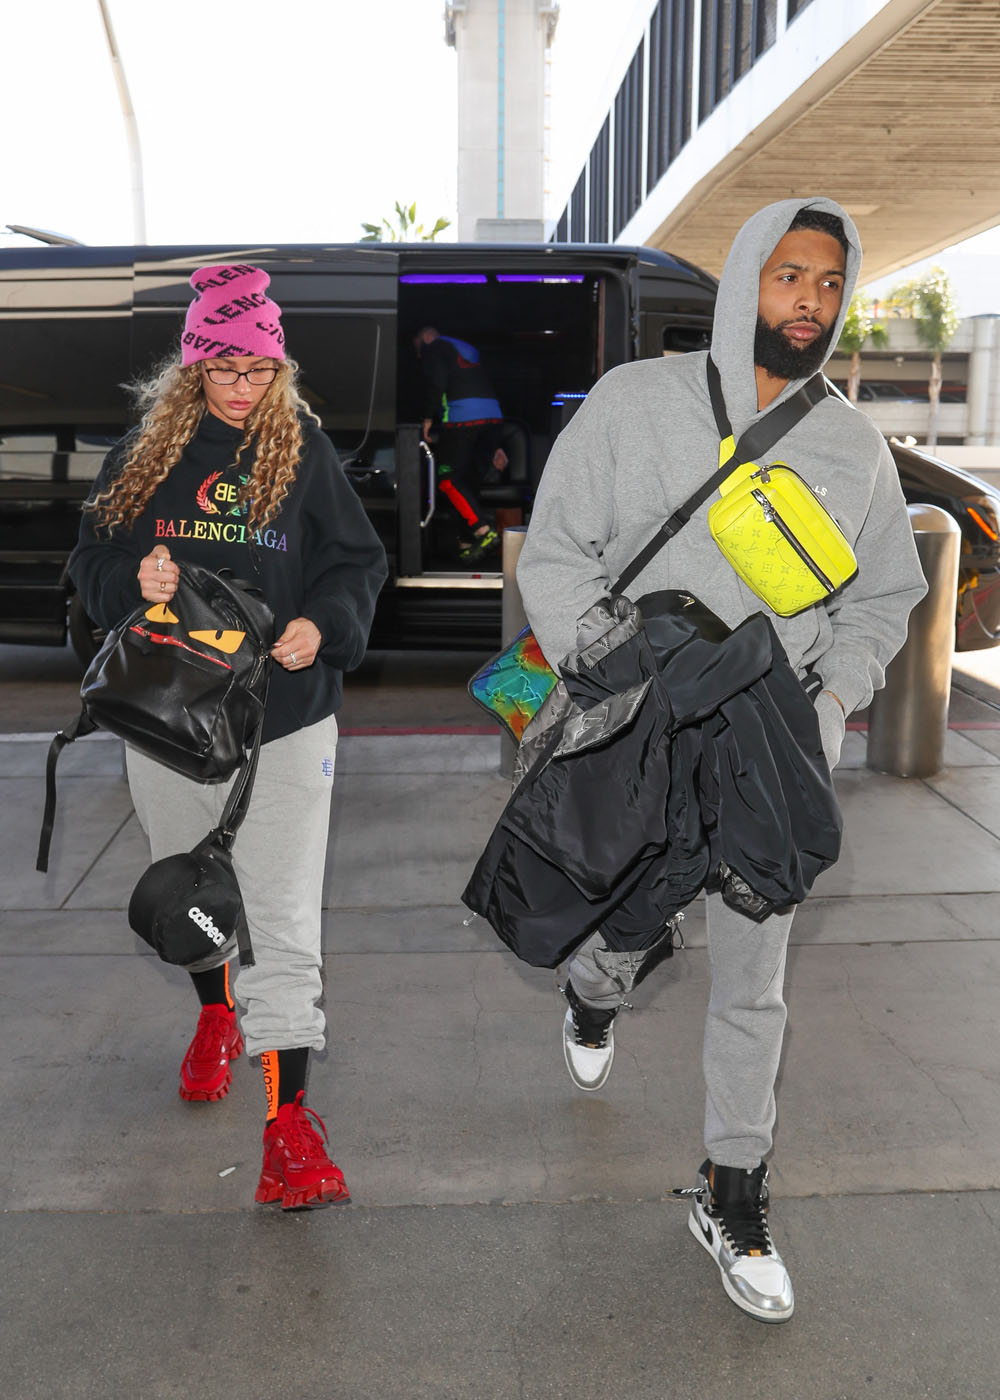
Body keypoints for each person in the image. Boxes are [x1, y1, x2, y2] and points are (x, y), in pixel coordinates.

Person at [515, 198, 927, 1321]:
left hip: (766, 739)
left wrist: (832, 701)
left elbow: (885, 594)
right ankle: (595, 992)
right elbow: (554, 556)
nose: (809, 300)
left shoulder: (847, 444)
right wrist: (606, 672)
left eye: (829, 283)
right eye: (789, 275)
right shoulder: (633, 403)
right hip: (640, 719)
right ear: (747, 276)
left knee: (755, 977)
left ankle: (731, 1187)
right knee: (626, 921)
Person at [70, 264, 388, 1209]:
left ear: (279, 370)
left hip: (285, 725)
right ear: (194, 365)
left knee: (284, 923)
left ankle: (288, 1133)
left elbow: (357, 563)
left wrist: (322, 625)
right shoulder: (146, 454)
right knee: (193, 893)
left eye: (260, 372)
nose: (243, 390)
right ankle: (216, 1012)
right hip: (168, 719)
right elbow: (89, 563)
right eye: (225, 370)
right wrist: (139, 580)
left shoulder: (305, 453)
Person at [414, 326, 508, 563]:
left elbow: (437, 382)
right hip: (493, 418)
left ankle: (483, 531)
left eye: (418, 347)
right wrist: (496, 445)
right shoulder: (467, 351)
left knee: (446, 480)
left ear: (426, 337)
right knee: (466, 481)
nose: (419, 354)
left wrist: (427, 418)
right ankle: (467, 543)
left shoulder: (434, 347)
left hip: (463, 419)